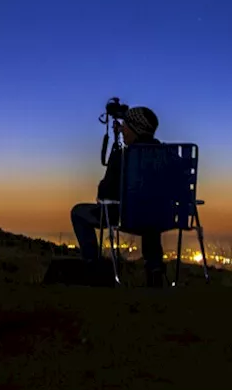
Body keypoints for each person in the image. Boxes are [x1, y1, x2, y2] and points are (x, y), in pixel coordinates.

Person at [70, 105, 168, 287]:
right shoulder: (167, 157)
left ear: (137, 130)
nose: (122, 130)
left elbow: (104, 194)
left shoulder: (124, 157)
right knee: (151, 214)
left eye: (126, 126)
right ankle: (155, 270)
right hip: (162, 217)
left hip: (126, 216)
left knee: (78, 212)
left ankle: (92, 266)